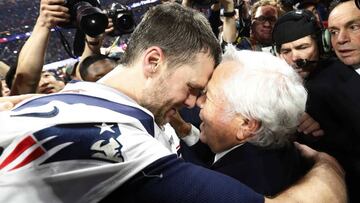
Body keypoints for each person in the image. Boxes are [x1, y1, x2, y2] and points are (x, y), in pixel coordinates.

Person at [0, 3, 346, 203]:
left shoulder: (81, 103)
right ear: (153, 61)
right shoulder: (118, 144)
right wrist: (327, 164)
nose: (194, 102)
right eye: (195, 88)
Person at [174, 46, 308, 196]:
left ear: (246, 125)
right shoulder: (281, 152)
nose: (198, 102)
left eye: (208, 96)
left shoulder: (225, 190)